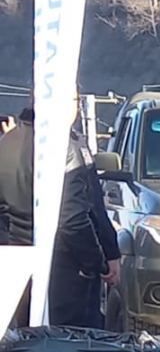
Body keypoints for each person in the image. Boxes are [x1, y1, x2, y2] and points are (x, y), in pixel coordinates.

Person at [0, 106, 109, 327]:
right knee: (69, 344)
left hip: (18, 255)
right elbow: (72, 219)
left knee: (23, 341)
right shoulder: (62, 146)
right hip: (64, 263)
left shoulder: (8, 141)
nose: (75, 108)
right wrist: (96, 262)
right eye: (72, 100)